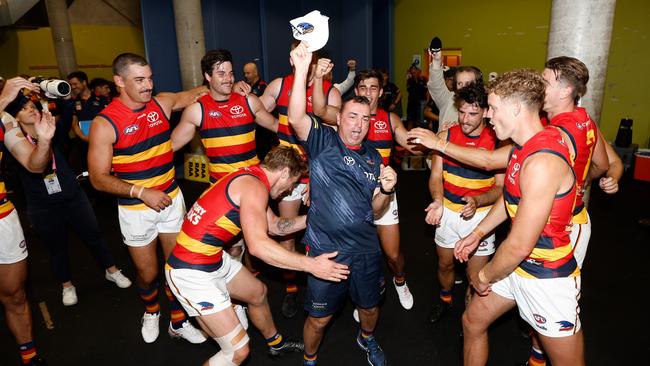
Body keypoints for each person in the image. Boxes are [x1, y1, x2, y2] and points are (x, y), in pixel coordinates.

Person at [418, 69, 585, 365]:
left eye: (493, 108)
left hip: (546, 277)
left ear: (516, 108)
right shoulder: (521, 149)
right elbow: (510, 199)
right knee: (472, 322)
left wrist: (483, 276)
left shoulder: (542, 162)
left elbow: (519, 243)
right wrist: (477, 233)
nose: (489, 116)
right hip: (515, 268)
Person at [165, 146, 349, 366]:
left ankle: (276, 344)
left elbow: (275, 226)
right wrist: (311, 265)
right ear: (284, 173)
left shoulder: (252, 177)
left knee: (257, 292)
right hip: (190, 271)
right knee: (237, 352)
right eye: (293, 183)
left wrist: (314, 219)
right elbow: (258, 247)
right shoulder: (255, 187)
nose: (290, 191)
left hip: (210, 257)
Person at [288, 41, 397, 366]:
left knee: (370, 308)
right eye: (352, 117)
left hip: (365, 250)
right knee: (319, 319)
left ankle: (366, 339)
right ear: (340, 119)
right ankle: (309, 358)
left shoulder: (375, 158)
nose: (358, 124)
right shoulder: (323, 141)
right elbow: (296, 116)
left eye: (365, 119)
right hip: (326, 252)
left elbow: (376, 210)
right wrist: (301, 70)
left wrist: (386, 191)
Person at [88, 53, 208, 344]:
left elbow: (192, 94)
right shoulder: (105, 123)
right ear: (119, 81)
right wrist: (141, 192)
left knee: (176, 266)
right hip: (135, 208)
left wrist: (228, 84)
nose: (148, 85)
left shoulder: (162, 103)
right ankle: (152, 311)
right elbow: (98, 178)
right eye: (139, 80)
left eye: (150, 78)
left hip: (171, 199)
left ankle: (177, 323)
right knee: (148, 273)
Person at [6, 90, 131, 307]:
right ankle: (67, 285)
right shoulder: (12, 143)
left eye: (32, 107)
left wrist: (47, 95)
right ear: (14, 117)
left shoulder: (51, 130)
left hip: (73, 195)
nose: (30, 110)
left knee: (93, 235)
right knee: (56, 247)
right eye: (24, 109)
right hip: (42, 204)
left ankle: (112, 270)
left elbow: (66, 111)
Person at [257, 41, 342, 318]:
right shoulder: (279, 85)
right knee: (287, 231)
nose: (307, 60)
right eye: (301, 55)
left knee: (328, 228)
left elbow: (334, 136)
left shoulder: (329, 91)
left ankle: (328, 282)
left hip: (319, 171)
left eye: (312, 57)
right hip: (287, 173)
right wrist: (242, 93)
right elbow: (256, 110)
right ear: (293, 58)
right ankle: (292, 290)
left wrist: (318, 180)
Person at [426, 82, 504, 324]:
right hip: (448, 213)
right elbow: (436, 176)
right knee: (445, 264)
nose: (465, 119)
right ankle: (446, 298)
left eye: (472, 113)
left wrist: (478, 199)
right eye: (461, 112)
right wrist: (438, 201)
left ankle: (470, 320)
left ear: (484, 112)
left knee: (476, 275)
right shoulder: (445, 136)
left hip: (481, 217)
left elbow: (501, 188)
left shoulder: (497, 141)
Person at [350, 68, 415, 317]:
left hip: (384, 192)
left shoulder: (390, 120)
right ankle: (364, 297)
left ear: (381, 91)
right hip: (354, 196)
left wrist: (442, 138)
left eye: (373, 88)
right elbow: (321, 112)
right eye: (363, 88)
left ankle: (400, 281)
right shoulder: (347, 117)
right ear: (356, 91)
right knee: (359, 255)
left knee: (393, 254)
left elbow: (411, 144)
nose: (368, 93)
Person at [0, 76, 52, 365]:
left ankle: (29, 357)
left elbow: (34, 164)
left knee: (14, 295)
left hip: (2, 217)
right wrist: (3, 100)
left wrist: (43, 141)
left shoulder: (4, 119)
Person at [427, 49, 483, 132]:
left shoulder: (483, 104)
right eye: (460, 83)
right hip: (443, 143)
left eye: (467, 84)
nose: (463, 87)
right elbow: (436, 85)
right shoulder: (448, 99)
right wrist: (436, 61)